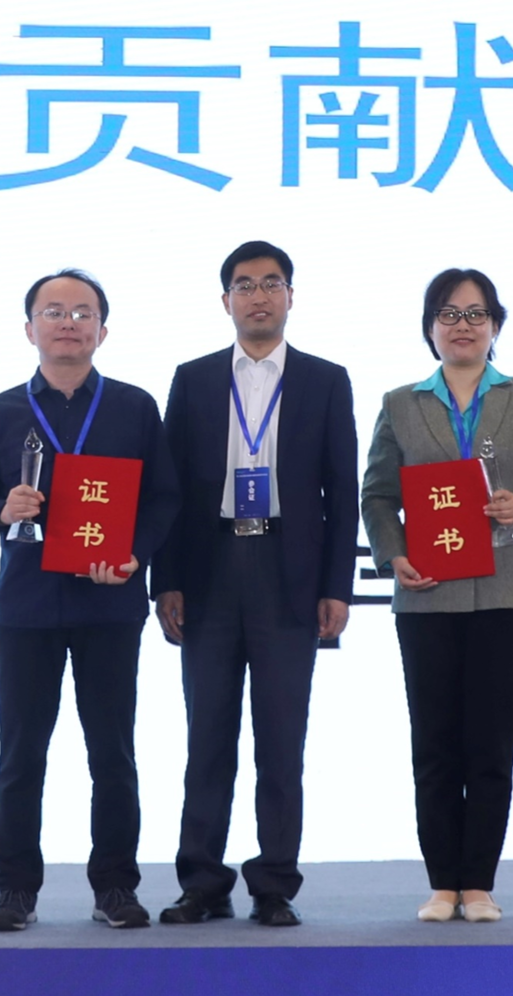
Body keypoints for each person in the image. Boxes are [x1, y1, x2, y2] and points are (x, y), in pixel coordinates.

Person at [0, 269, 171, 933]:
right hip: (26, 605)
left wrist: (134, 554)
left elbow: (163, 498)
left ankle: (116, 886)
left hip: (110, 603)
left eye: (82, 312)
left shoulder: (134, 407)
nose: (68, 322)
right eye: (53, 311)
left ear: (102, 330)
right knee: (21, 753)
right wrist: (1, 510)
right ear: (30, 329)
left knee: (113, 753)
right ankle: (15, 889)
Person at [148, 241, 358, 928]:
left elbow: (342, 492)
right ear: (225, 301)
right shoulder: (193, 379)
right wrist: (165, 579)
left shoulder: (326, 380)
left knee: (280, 738)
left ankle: (273, 883)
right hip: (208, 571)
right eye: (244, 285)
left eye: (271, 283)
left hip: (287, 573)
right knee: (207, 736)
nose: (258, 296)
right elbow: (169, 489)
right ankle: (202, 882)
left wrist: (336, 585)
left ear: (291, 296)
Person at [366, 268, 513, 924]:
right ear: (430, 327)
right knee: (433, 744)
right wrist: (393, 553)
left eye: (476, 314)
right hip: (426, 594)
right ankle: (442, 884)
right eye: (449, 314)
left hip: (505, 592)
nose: (463, 325)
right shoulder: (401, 402)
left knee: (491, 743)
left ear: (495, 325)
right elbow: (377, 493)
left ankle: (478, 882)